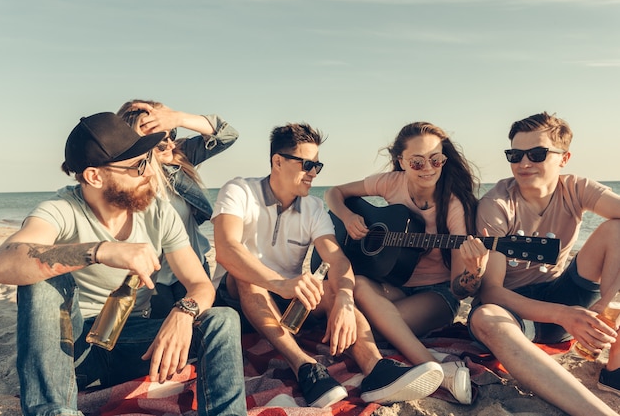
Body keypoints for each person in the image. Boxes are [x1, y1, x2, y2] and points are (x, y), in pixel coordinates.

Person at [0, 112, 246, 416]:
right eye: (137, 166)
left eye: (146, 160)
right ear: (94, 176)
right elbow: (3, 261)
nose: (149, 174)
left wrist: (184, 311)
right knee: (41, 278)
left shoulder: (159, 213)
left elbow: (200, 284)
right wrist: (100, 250)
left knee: (222, 319)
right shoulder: (61, 209)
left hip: (136, 344)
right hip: (71, 349)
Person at [212, 122, 445, 408]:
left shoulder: (311, 207)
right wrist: (280, 283)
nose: (313, 173)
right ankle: (306, 368)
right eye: (307, 165)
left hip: (289, 299)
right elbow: (226, 249)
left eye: (317, 166)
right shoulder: (240, 191)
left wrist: (345, 300)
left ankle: (376, 370)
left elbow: (337, 259)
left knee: (337, 289)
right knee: (247, 278)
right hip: (236, 299)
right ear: (278, 161)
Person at [468, 111, 620, 416]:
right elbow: (492, 292)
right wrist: (564, 315)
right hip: (515, 314)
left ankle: (613, 369)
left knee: (617, 228)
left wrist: (606, 301)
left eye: (537, 154)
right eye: (515, 154)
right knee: (485, 316)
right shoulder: (497, 204)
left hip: (566, 300)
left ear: (563, 159)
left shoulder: (575, 188)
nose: (524, 163)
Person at [324, 121, 486, 405]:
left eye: (436, 160)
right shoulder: (391, 182)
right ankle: (439, 368)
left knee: (363, 330)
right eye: (417, 162)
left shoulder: (454, 206)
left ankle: (436, 369)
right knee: (358, 284)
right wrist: (348, 218)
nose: (428, 168)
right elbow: (333, 193)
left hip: (436, 294)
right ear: (402, 161)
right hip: (393, 285)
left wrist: (474, 271)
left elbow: (460, 290)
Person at [117, 99, 239, 318]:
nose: (171, 145)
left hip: (193, 269)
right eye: (161, 143)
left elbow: (227, 134)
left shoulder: (179, 156)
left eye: (171, 134)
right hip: (153, 278)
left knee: (200, 330)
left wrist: (177, 117)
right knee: (163, 336)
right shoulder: (122, 179)